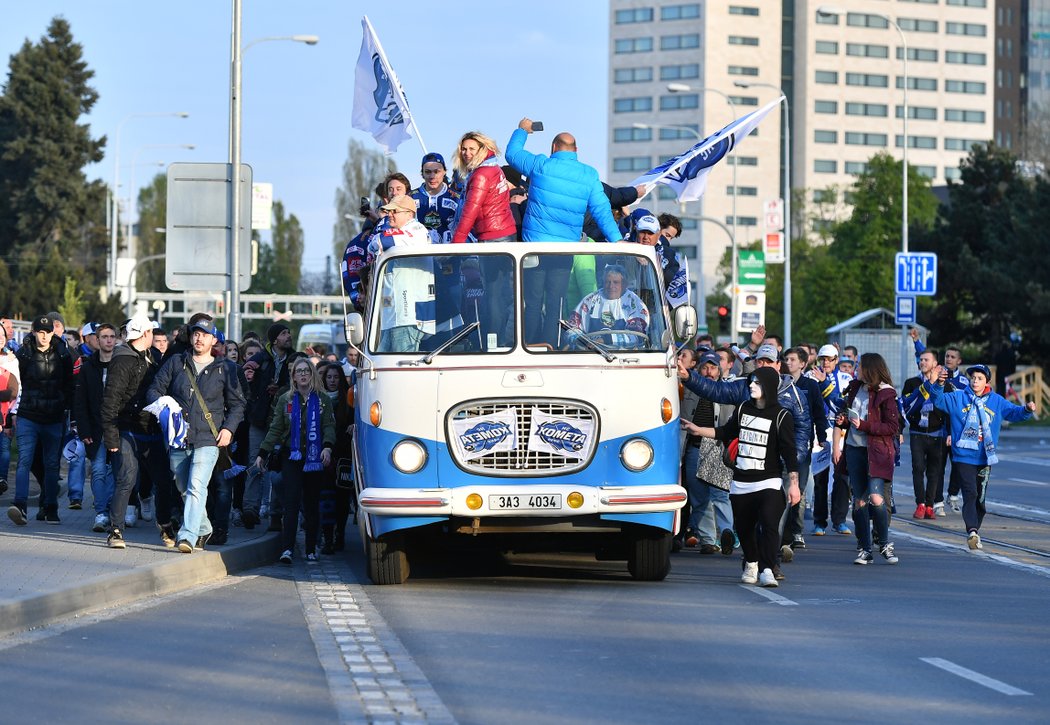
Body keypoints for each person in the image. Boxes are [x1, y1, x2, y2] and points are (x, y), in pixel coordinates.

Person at [683, 367, 800, 588]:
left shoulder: (782, 416)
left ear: (768, 386)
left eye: (757, 383)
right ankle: (752, 563)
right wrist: (698, 429)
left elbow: (790, 453)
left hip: (770, 482)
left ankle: (767, 569)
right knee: (745, 529)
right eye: (751, 382)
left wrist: (794, 485)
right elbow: (726, 432)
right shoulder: (743, 409)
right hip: (741, 482)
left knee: (769, 523)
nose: (751, 386)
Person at [147, 319, 246, 553]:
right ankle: (203, 527)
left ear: (214, 340)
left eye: (204, 335)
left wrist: (229, 428)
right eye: (196, 334)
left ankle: (187, 535)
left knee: (196, 485)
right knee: (183, 485)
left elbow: (238, 404)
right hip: (179, 437)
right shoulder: (176, 362)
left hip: (209, 438)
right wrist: (166, 407)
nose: (199, 338)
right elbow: (154, 390)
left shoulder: (226, 368)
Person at [923, 363, 1035, 550]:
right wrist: (938, 385)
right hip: (963, 456)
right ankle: (972, 531)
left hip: (985, 457)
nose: (975, 381)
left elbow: (1014, 413)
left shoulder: (996, 401)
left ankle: (975, 531)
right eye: (973, 377)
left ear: (987, 382)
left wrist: (1027, 410)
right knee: (970, 493)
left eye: (980, 378)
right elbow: (938, 400)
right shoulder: (959, 397)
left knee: (980, 501)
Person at [99, 315, 175, 548]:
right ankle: (115, 531)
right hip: (126, 429)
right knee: (126, 479)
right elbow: (110, 401)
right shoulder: (123, 360)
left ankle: (165, 525)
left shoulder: (152, 357)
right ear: (144, 335)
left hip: (150, 428)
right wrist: (111, 436)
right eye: (151, 332)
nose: (154, 336)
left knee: (164, 480)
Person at [255, 357, 335, 564]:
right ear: (293, 376)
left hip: (315, 458)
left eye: (306, 371)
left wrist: (327, 447)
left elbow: (328, 426)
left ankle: (310, 549)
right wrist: (262, 452)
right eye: (298, 371)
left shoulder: (323, 399)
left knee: (311, 504)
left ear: (312, 374)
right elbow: (276, 428)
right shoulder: (286, 399)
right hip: (292, 456)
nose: (302, 374)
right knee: (290, 504)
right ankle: (287, 549)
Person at [834, 353, 901, 566]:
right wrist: (844, 421)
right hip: (854, 449)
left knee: (877, 498)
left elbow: (892, 427)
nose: (857, 370)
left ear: (870, 369)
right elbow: (850, 416)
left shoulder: (886, 393)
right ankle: (864, 548)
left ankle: (884, 543)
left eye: (860, 367)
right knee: (859, 501)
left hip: (878, 452)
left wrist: (864, 425)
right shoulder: (855, 388)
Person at [8, 315, 73, 525]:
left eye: (48, 332)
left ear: (53, 333)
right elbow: (17, 384)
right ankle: (20, 506)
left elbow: (69, 384)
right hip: (29, 415)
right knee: (24, 461)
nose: (44, 336)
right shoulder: (24, 354)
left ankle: (51, 507)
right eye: (40, 332)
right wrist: (14, 413)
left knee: (52, 464)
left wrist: (65, 409)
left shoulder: (63, 354)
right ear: (34, 332)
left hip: (54, 417)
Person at [243, 323, 303, 530]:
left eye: (288, 332)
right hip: (259, 419)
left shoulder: (295, 359)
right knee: (254, 463)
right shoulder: (261, 358)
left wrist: (282, 388)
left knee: (278, 467)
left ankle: (274, 512)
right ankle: (250, 508)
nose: (288, 336)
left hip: (283, 423)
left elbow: (301, 382)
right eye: (284, 333)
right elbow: (245, 374)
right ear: (275, 339)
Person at [679, 350, 735, 555]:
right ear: (698, 369)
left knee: (720, 496)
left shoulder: (726, 389)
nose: (709, 371)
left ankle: (728, 535)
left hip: (717, 447)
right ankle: (709, 540)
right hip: (693, 447)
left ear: (720, 371)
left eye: (713, 367)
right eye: (705, 367)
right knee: (699, 498)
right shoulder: (686, 387)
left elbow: (749, 377)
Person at [368, 195, 439, 352]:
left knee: (400, 366)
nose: (390, 215)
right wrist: (378, 240)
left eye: (395, 211)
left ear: (409, 214)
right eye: (388, 211)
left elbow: (382, 241)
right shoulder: (397, 231)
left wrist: (379, 240)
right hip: (393, 315)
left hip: (409, 316)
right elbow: (372, 244)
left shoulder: (418, 230)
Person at [781, 346, 828, 556]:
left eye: (792, 360)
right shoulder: (779, 384)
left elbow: (819, 413)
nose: (788, 363)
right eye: (786, 359)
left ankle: (797, 531)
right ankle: (781, 532)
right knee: (779, 490)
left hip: (801, 446)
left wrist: (823, 437)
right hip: (779, 444)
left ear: (803, 363)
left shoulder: (810, 385)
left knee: (797, 488)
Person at [73, 322, 117, 532]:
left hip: (117, 428)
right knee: (98, 470)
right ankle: (101, 512)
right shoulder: (88, 366)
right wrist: (84, 430)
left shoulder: (121, 364)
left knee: (116, 471)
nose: (108, 340)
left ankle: (112, 508)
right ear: (96, 340)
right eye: (104, 337)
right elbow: (80, 401)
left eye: (111, 336)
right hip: (95, 428)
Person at [901, 347, 953, 519]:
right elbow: (905, 407)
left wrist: (950, 433)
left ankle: (930, 505)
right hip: (917, 432)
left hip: (937, 433)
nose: (922, 362)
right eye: (921, 360)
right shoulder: (911, 383)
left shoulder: (944, 385)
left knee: (934, 471)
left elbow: (950, 411)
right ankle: (920, 504)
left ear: (935, 364)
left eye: (926, 360)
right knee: (918, 468)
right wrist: (899, 431)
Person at [806, 343, 853, 536]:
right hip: (819, 429)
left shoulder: (846, 378)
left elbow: (842, 404)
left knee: (842, 476)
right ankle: (819, 521)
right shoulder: (810, 376)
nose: (825, 363)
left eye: (830, 359)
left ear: (836, 360)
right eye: (822, 359)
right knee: (819, 477)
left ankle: (839, 520)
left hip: (840, 431)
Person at [449, 132, 516, 244]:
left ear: (481, 150)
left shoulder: (481, 175)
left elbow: (470, 211)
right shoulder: (494, 167)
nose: (467, 153)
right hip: (503, 229)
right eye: (464, 149)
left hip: (493, 235)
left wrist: (457, 241)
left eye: (472, 149)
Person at [565, 264, 649, 348]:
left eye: (615, 282)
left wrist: (606, 340)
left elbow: (638, 336)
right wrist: (582, 341)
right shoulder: (590, 300)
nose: (611, 286)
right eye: (607, 282)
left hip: (624, 356)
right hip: (590, 354)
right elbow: (571, 328)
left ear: (624, 284)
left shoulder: (635, 303)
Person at [318, 361, 354, 554]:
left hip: (343, 455)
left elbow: (357, 419)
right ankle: (328, 537)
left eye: (336, 377)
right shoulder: (319, 399)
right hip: (324, 455)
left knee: (342, 499)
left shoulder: (349, 400)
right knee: (326, 498)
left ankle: (340, 534)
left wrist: (355, 425)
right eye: (329, 377)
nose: (332, 381)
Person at [412, 151, 459, 244]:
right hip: (419, 254)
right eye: (428, 172)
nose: (432, 176)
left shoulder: (456, 198)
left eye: (437, 171)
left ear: (444, 172)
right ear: (422, 174)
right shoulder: (411, 198)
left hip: (450, 253)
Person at [0, 323, 21, 497]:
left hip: (6, 412)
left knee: (4, 448)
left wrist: (13, 414)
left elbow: (14, 391)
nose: (0, 337)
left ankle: (2, 479)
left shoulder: (12, 360)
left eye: (2, 334)